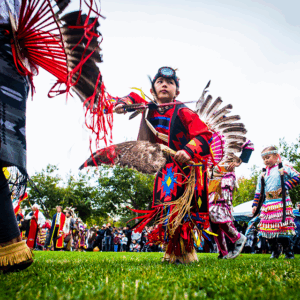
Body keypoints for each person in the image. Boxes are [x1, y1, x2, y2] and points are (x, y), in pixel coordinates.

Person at [115, 67, 213, 264]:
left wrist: (188, 150)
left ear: (177, 91)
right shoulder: (149, 107)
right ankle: (172, 253)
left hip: (187, 168)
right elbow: (134, 97)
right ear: (152, 90)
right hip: (165, 168)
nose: (164, 84)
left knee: (181, 211)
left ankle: (184, 254)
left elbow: (204, 135)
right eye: (159, 81)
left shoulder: (184, 111)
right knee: (166, 211)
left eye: (170, 82)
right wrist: (122, 104)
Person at [252, 146, 300, 259]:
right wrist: (255, 205)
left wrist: (286, 186)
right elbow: (258, 191)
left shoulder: (283, 168)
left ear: (276, 156)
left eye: (268, 157)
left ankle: (288, 251)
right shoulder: (262, 174)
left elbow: (298, 176)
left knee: (282, 229)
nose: (266, 161)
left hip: (281, 203)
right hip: (268, 204)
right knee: (267, 229)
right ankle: (275, 250)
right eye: (264, 159)